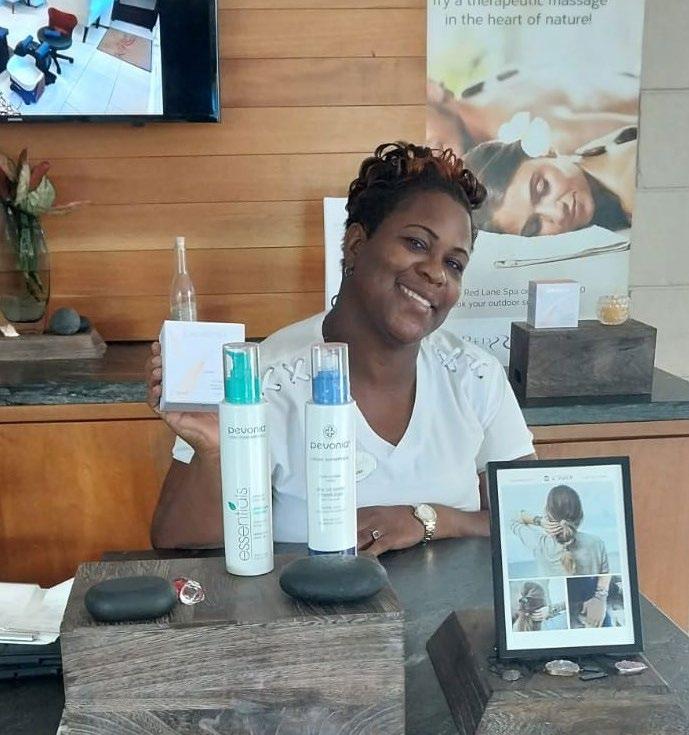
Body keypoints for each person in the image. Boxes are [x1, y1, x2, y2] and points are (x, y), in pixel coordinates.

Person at [146, 142, 536, 554]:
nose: (436, 273)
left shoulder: (474, 375)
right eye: (417, 244)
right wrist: (216, 453)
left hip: (457, 599)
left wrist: (426, 520)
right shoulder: (262, 381)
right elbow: (177, 539)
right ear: (355, 245)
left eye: (454, 264)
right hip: (309, 598)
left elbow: (534, 513)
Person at [462, 126, 637, 236]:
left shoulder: (633, 184)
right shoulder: (593, 153)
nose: (557, 214)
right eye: (535, 226)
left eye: (542, 188)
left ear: (546, 152)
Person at [512, 485, 609, 577]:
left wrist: (539, 521)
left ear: (547, 514)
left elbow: (513, 519)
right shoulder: (597, 543)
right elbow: (604, 579)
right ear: (580, 515)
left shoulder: (541, 543)